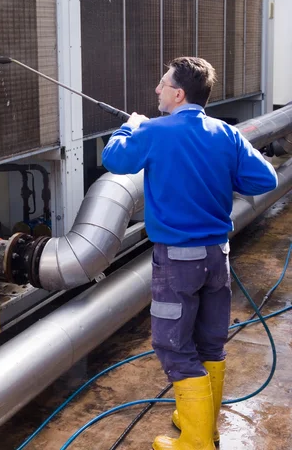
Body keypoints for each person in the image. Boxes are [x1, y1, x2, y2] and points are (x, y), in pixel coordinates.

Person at [101, 56, 278, 450]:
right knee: (209, 343)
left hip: (178, 262)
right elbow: (264, 178)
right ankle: (201, 423)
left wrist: (129, 127)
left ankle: (196, 442)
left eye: (163, 84)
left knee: (174, 347)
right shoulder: (225, 134)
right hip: (218, 257)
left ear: (178, 93)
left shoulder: (155, 131)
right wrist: (221, 172)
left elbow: (114, 159)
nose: (157, 90)